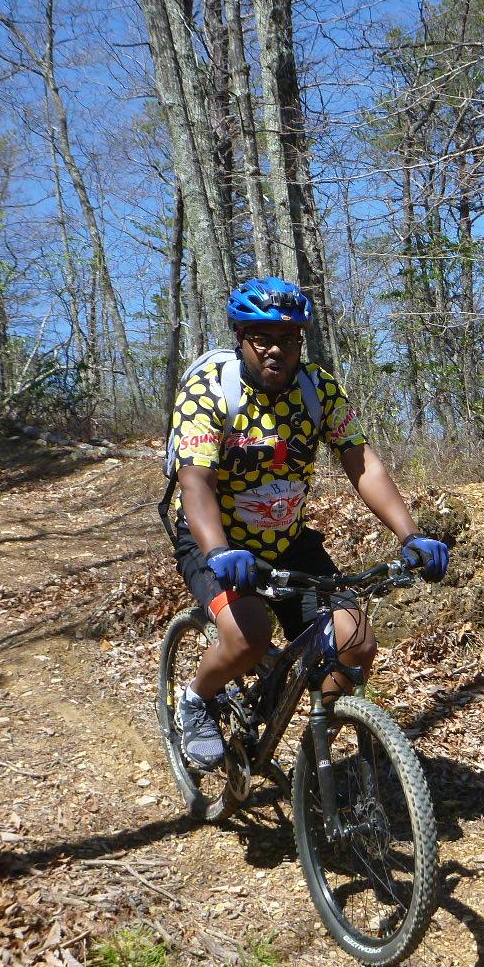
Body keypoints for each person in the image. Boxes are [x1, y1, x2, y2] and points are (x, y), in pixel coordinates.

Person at [162, 277, 449, 769]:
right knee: (248, 635)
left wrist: (411, 534)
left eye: (290, 339)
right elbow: (196, 484)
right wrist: (218, 552)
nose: (277, 350)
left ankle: (312, 744)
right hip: (216, 538)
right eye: (263, 338)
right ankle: (196, 700)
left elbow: (362, 463)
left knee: (355, 643)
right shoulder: (209, 391)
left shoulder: (317, 388)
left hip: (288, 540)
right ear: (240, 336)